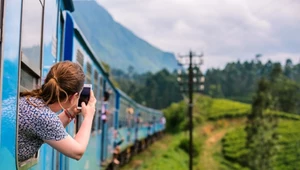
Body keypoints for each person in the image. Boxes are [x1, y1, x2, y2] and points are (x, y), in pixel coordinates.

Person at [18, 61, 96, 162]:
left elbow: (48, 130)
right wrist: (89, 116)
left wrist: (69, 114)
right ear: (73, 97)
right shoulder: (44, 116)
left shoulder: (32, 101)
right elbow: (78, 152)